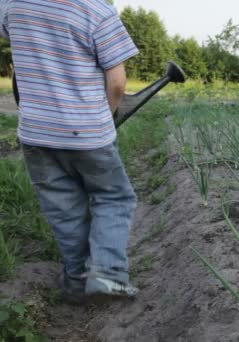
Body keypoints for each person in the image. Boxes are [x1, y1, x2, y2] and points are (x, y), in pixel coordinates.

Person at [0, 0, 140, 304]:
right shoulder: (97, 10)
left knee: (64, 210)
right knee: (113, 197)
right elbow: (116, 82)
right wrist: (108, 116)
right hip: (88, 133)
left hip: (36, 134)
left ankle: (77, 281)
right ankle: (107, 272)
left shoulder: (14, 7)